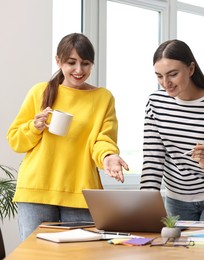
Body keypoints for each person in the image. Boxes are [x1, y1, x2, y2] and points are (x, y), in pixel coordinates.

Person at [7, 33, 129, 240]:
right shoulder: (40, 92)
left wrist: (109, 157)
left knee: (81, 254)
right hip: (37, 189)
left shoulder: (102, 98)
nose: (79, 70)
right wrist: (34, 127)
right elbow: (15, 141)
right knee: (36, 256)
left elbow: (103, 140)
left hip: (81, 193)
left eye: (86, 63)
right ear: (58, 61)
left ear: (92, 64)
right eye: (71, 62)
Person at [140, 39, 204, 222]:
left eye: (172, 74)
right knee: (176, 250)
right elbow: (153, 158)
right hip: (176, 200)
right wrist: (143, 206)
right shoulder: (155, 103)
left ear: (191, 69)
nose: (166, 83)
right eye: (159, 76)